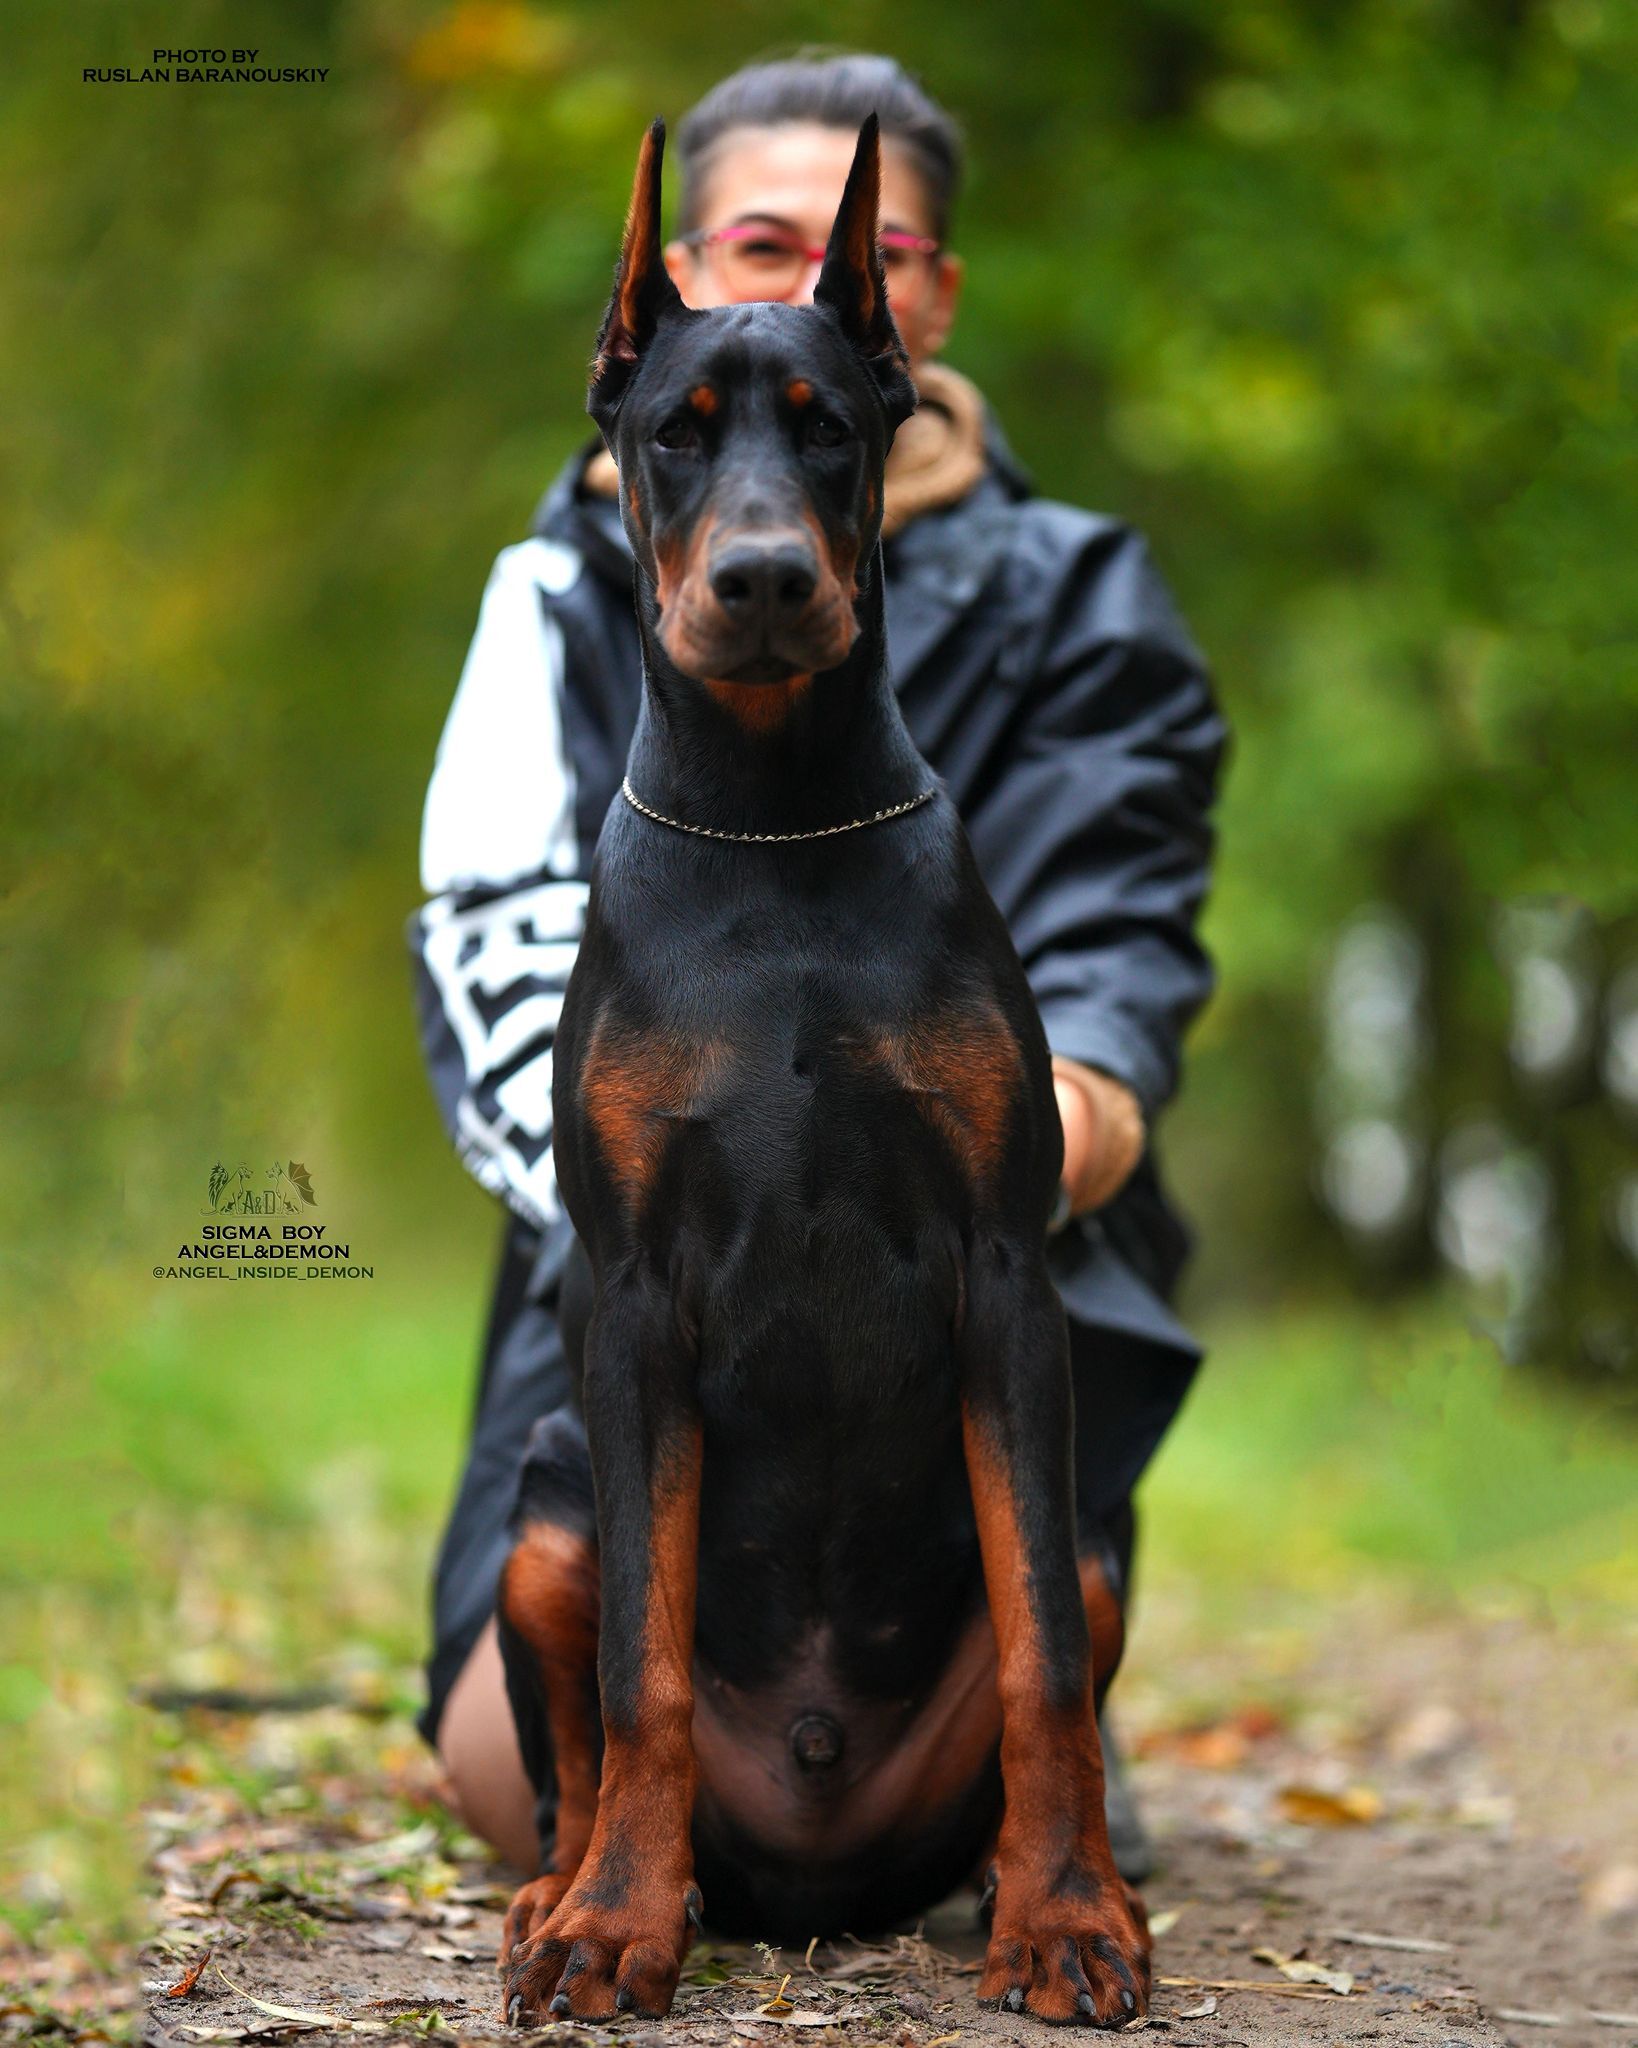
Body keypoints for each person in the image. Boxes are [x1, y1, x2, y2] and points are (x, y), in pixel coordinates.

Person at [409, 50, 1227, 1887]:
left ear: (908, 308)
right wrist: (693, 1153)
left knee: (929, 1773)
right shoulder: (554, 586)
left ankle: (1018, 1752)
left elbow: (1119, 921)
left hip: (974, 1274)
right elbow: (490, 954)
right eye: (748, 243)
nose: (763, 539)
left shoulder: (1083, 592)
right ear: (662, 294)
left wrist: (1063, 1103)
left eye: (857, 255)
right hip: (647, 1292)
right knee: (503, 1775)